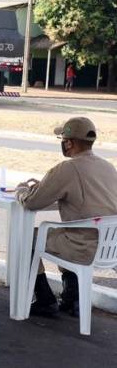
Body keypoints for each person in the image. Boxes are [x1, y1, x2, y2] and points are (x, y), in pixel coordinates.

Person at [16, 117, 117, 316]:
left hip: (81, 246)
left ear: (69, 143)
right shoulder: (108, 167)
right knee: (61, 233)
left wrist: (21, 190)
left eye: (63, 139)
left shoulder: (67, 168)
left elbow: (32, 202)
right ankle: (72, 298)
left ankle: (44, 298)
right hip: (110, 246)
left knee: (28, 237)